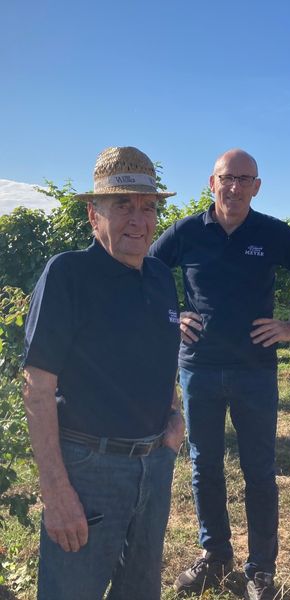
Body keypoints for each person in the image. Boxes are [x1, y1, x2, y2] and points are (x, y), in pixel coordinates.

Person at [149, 148, 290, 600]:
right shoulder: (188, 232)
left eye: (244, 179)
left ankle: (261, 570)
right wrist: (172, 315)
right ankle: (215, 556)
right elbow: (144, 274)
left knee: (259, 470)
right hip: (198, 368)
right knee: (204, 466)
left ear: (257, 186)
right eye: (226, 178)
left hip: (255, 371)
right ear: (211, 183)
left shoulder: (271, 233)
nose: (234, 186)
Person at [22, 146, 184, 600]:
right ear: (94, 214)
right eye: (122, 206)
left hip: (154, 465)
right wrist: (55, 491)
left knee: (140, 590)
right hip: (88, 471)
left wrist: (174, 420)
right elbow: (37, 388)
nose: (138, 219)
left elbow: (163, 356)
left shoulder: (159, 276)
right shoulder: (68, 274)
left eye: (148, 207)